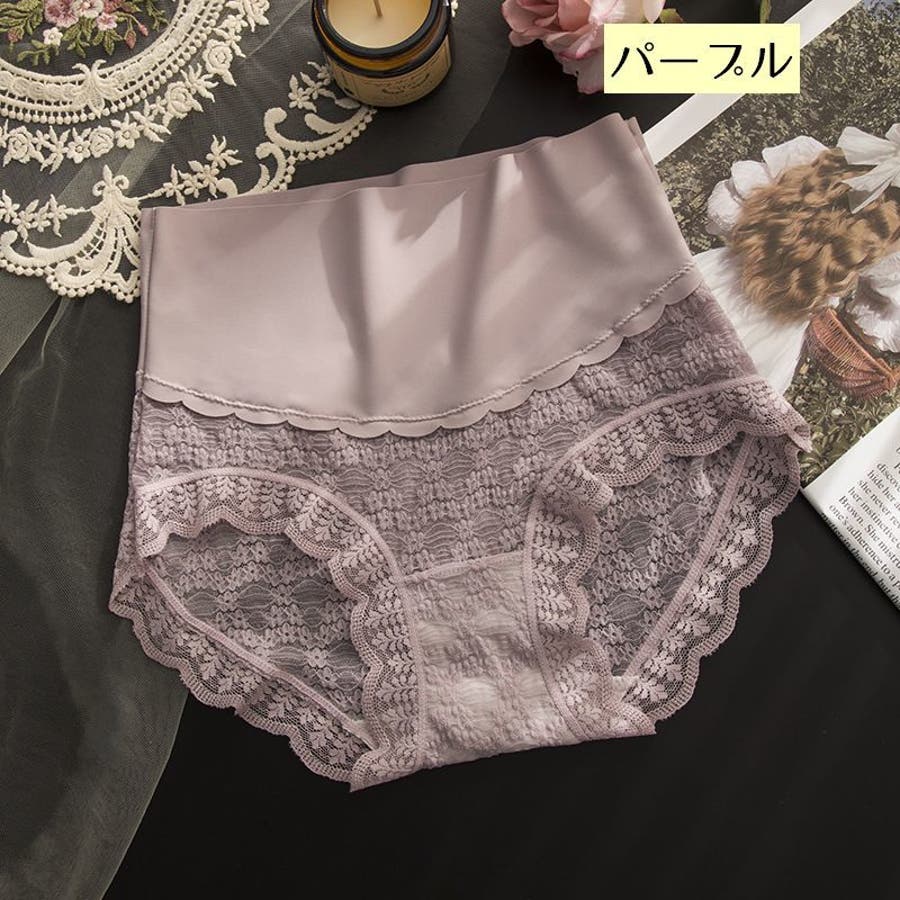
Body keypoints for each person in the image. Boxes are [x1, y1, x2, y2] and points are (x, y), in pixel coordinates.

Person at [694, 125, 900, 398]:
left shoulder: (823, 164)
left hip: (713, 278)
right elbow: (874, 324)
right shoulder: (893, 234)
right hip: (768, 336)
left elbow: (726, 208)